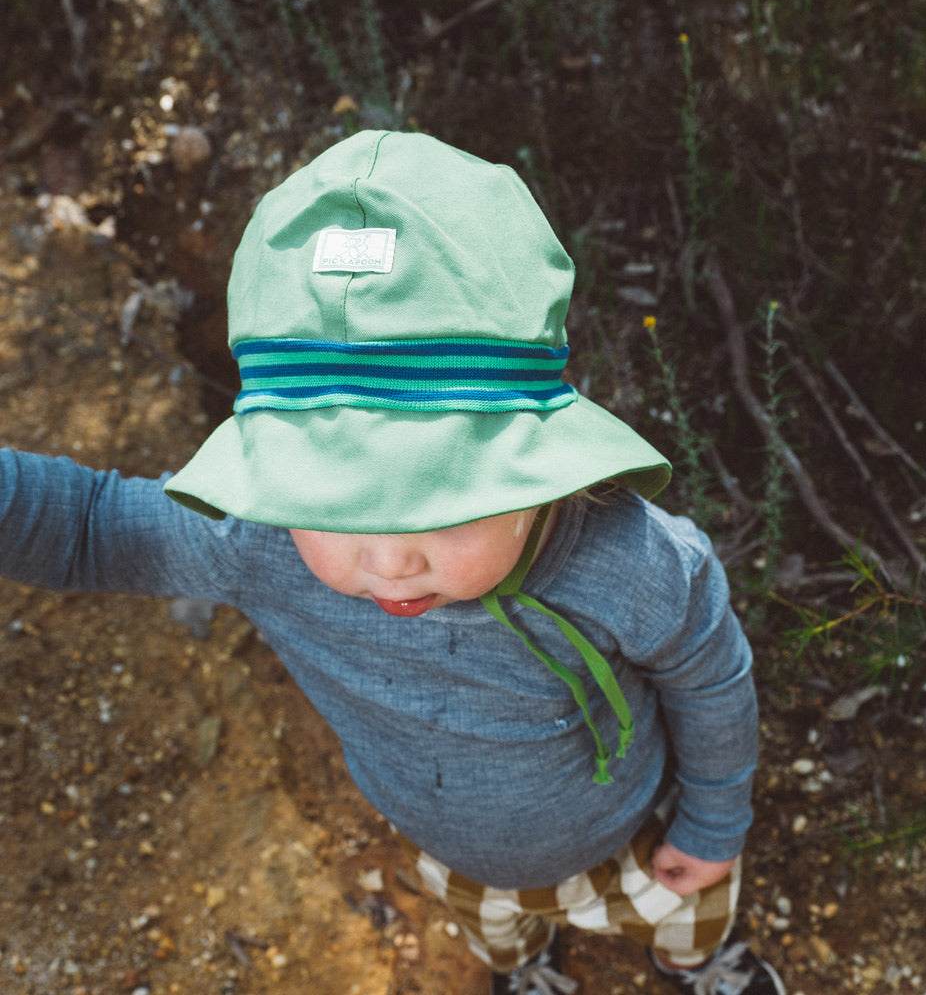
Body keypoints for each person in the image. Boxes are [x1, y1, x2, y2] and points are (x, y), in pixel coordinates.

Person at [0, 130, 784, 995]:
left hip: (639, 830)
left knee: (687, 913)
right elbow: (88, 523)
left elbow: (711, 679)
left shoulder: (628, 558)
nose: (388, 562)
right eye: (332, 503)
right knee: (497, 931)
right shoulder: (259, 540)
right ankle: (528, 969)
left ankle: (694, 964)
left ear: (537, 472)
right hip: (452, 852)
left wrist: (715, 822)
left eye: (439, 500)